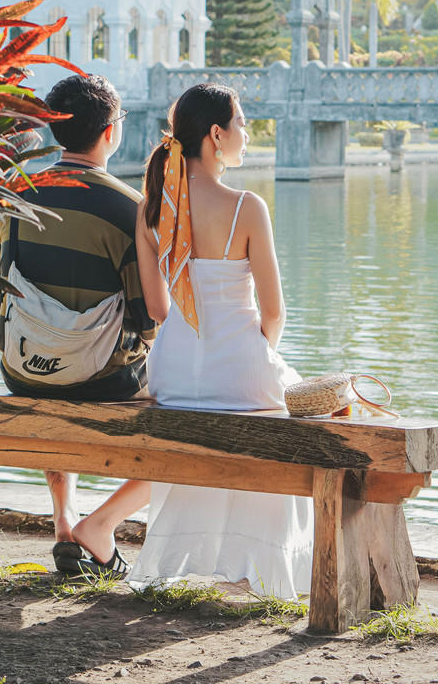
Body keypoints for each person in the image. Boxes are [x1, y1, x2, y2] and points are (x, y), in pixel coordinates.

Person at [68, 83, 313, 599]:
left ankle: (109, 525)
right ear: (216, 134)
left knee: (193, 440)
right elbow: (274, 312)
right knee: (287, 422)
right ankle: (251, 568)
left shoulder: (152, 207)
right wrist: (256, 354)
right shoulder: (248, 207)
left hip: (173, 368)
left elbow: (158, 310)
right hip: (239, 367)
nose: (246, 134)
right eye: (241, 124)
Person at [0, 73, 155, 577]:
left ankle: (64, 520)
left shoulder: (17, 195)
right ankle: (100, 525)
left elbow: (5, 285)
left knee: (53, 363)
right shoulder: (129, 208)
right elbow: (145, 318)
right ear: (110, 132)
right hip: (103, 383)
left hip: (21, 370)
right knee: (186, 404)